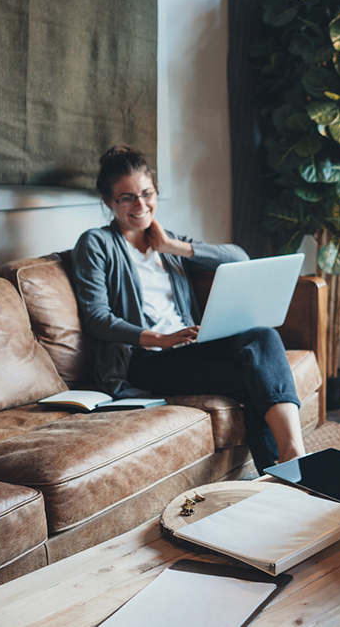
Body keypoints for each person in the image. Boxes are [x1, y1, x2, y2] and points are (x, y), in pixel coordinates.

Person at [71, 144, 305, 472]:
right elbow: (96, 317)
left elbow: (239, 258)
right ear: (109, 202)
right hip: (145, 359)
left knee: (263, 337)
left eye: (146, 193)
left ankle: (291, 459)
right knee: (255, 374)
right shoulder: (96, 243)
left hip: (191, 346)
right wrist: (159, 339)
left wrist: (172, 246)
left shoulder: (164, 241)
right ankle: (286, 467)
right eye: (127, 198)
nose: (140, 205)